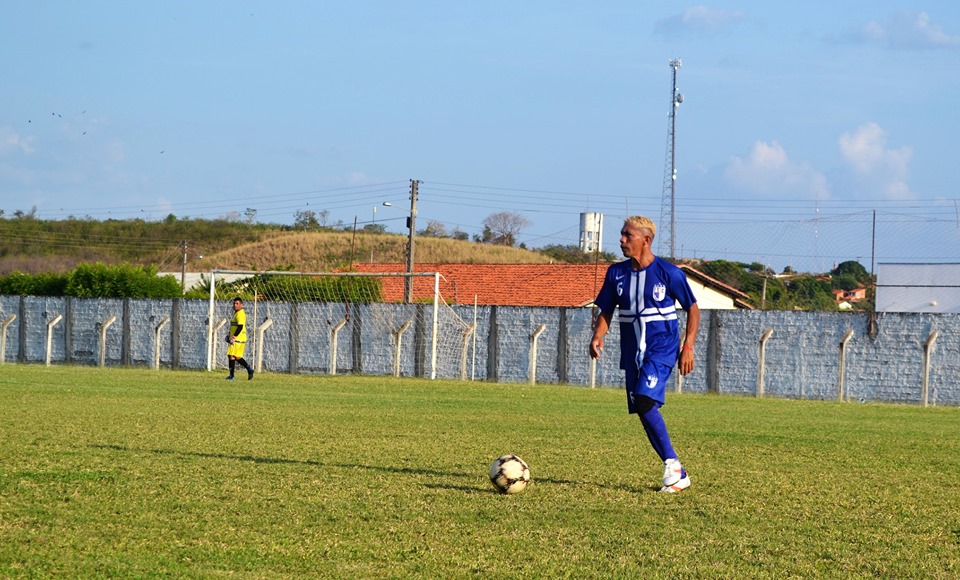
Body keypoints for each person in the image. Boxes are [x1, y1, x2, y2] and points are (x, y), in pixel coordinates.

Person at [590, 216, 700, 493]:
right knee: (642, 407)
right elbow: (606, 309)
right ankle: (676, 469)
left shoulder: (669, 273)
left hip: (661, 349)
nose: (621, 240)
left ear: (646, 240)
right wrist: (598, 335)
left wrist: (688, 346)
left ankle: (673, 466)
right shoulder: (615, 273)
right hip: (632, 353)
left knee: (644, 398)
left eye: (628, 235)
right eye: (622, 234)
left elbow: (693, 308)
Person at [226, 297, 254, 380]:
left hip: (238, 338)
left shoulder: (240, 314)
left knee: (231, 355)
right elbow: (234, 326)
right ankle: (249, 369)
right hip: (240, 338)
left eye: (237, 304)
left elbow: (240, 326)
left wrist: (234, 337)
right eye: (234, 303)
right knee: (237, 357)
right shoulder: (237, 313)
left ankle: (232, 376)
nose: (235, 305)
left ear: (241, 305)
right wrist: (229, 334)